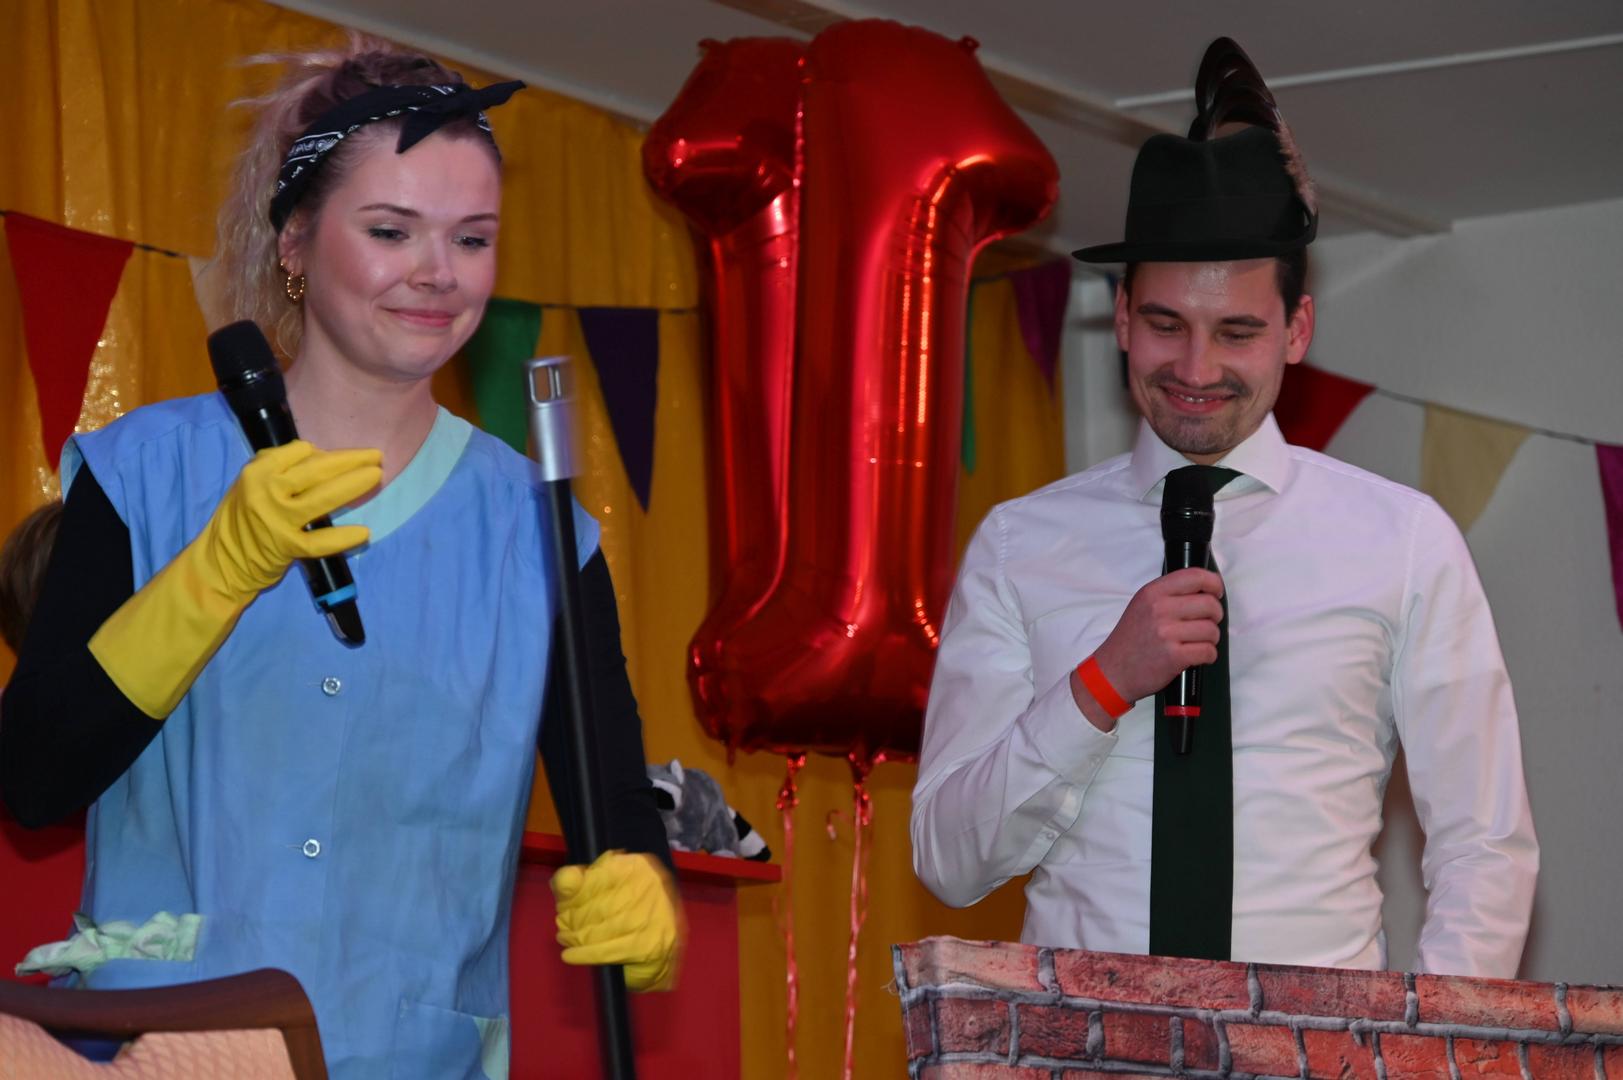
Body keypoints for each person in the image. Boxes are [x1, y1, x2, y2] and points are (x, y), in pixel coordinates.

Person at [0, 37, 680, 1077]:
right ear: (296, 240)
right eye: (390, 230)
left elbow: (611, 805)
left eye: (472, 238)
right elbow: (35, 778)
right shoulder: (145, 474)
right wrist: (212, 574)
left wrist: (641, 880)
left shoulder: (537, 530)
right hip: (162, 1052)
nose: (437, 273)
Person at [910, 41, 1536, 978]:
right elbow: (948, 861)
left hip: (1317, 1041)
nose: (1195, 368)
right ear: (1122, 317)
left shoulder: (1402, 541)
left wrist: (1420, 1045)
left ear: (1296, 330)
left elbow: (1483, 846)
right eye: (1166, 324)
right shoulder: (1018, 543)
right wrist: (1101, 684)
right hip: (1080, 1040)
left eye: (1236, 331)